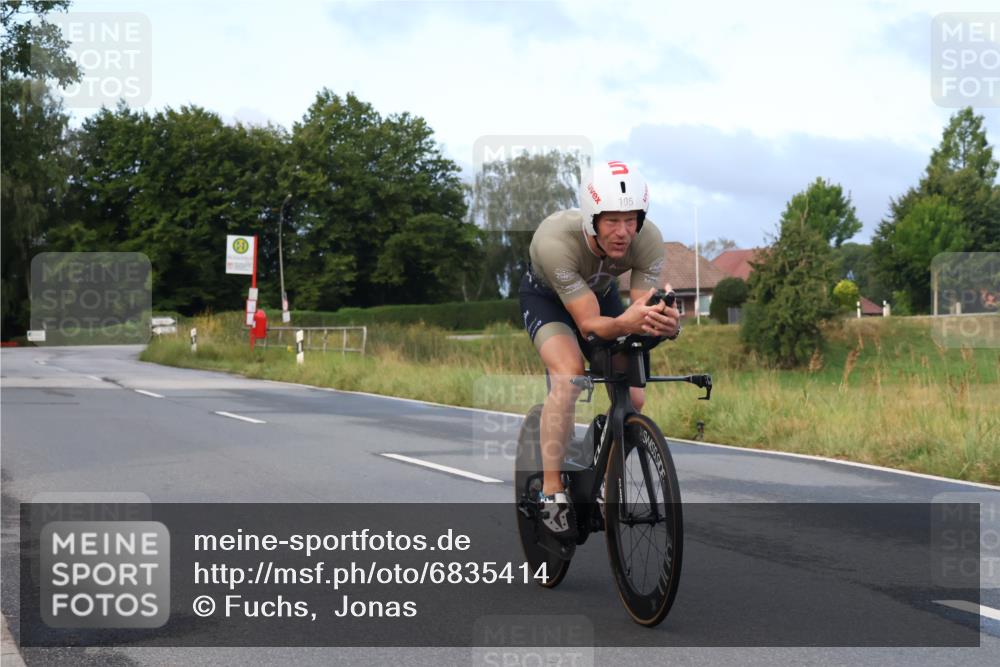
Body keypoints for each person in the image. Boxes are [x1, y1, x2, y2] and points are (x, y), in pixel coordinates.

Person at [519, 160, 680, 539]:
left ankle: (597, 456)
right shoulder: (555, 242)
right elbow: (590, 324)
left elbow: (641, 308)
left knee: (635, 399)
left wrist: (667, 323)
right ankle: (553, 491)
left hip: (601, 297)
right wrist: (628, 322)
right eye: (612, 221)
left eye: (631, 221)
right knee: (570, 374)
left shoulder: (649, 239)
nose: (623, 232)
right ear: (592, 218)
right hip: (549, 301)